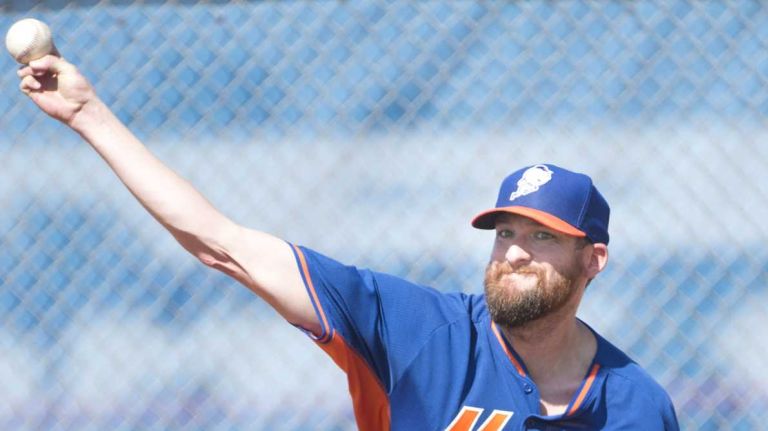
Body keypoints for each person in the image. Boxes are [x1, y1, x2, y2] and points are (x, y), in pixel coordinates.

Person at [17, 54, 679, 430]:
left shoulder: (638, 405)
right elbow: (223, 244)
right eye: (505, 232)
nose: (513, 251)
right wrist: (89, 115)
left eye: (542, 237)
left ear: (593, 260)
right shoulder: (420, 330)